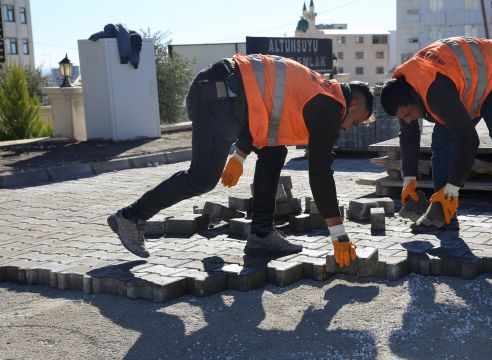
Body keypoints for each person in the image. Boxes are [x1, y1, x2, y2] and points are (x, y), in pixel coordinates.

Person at [108, 54, 374, 267]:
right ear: (353, 106)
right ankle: (130, 218)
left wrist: (240, 154)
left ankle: (261, 235)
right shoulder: (329, 106)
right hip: (218, 96)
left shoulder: (316, 91)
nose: (350, 127)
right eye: (357, 121)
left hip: (226, 94)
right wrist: (338, 234)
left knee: (274, 152)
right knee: (202, 178)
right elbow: (320, 173)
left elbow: (264, 111)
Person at [380, 36, 492, 243]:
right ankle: (444, 215)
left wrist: (452, 189)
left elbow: (469, 141)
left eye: (407, 114)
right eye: (403, 117)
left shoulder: (435, 92)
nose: (407, 120)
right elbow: (409, 136)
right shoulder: (403, 90)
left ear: (414, 98)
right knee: (442, 146)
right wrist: (409, 180)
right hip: (464, 84)